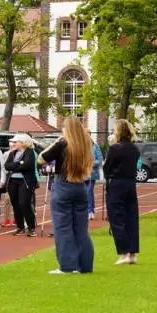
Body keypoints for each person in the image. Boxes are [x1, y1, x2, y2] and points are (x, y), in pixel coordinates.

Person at [38, 116, 95, 274]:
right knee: (81, 229)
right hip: (81, 186)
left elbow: (41, 159)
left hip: (63, 185)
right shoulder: (86, 144)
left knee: (63, 228)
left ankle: (67, 266)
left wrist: (56, 142)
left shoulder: (62, 144)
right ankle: (85, 265)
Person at [103, 119, 141, 265]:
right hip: (130, 183)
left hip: (116, 183)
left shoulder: (114, 148)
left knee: (117, 218)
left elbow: (107, 168)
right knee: (131, 217)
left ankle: (124, 252)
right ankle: (132, 253)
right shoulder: (134, 148)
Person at [4, 134, 38, 236]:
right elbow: (7, 166)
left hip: (25, 181)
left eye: (16, 142)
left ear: (23, 143)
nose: (13, 144)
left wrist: (15, 166)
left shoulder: (30, 152)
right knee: (15, 204)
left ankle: (31, 228)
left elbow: (27, 165)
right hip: (12, 181)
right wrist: (19, 163)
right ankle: (20, 227)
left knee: (24, 203)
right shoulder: (13, 153)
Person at [86, 130, 103, 220]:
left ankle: (90, 211)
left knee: (89, 191)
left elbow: (100, 160)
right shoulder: (80, 146)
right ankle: (87, 210)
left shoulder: (95, 146)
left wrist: (91, 163)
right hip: (82, 174)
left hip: (92, 173)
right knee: (84, 192)